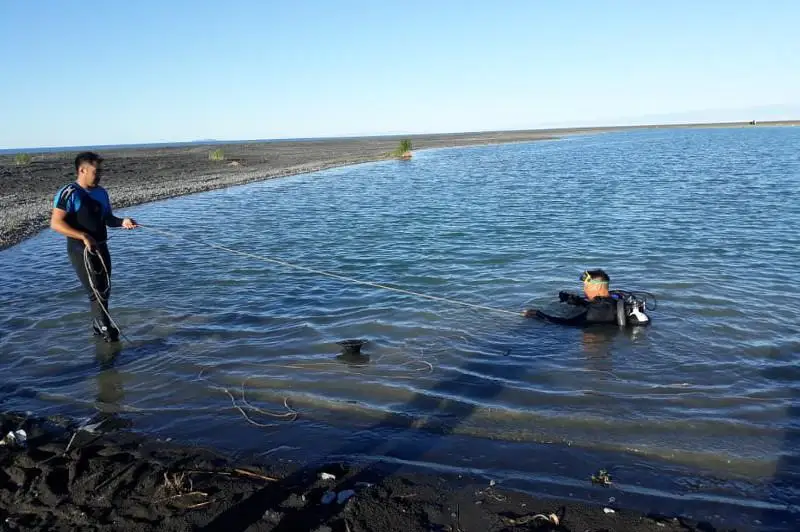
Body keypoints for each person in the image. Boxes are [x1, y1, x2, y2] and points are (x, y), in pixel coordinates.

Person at [50, 152, 138, 342]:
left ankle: (98, 328)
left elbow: (107, 218)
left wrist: (123, 221)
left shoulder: (101, 192)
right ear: (82, 170)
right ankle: (108, 332)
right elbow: (56, 223)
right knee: (95, 292)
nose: (99, 176)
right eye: (95, 171)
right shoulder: (68, 193)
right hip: (80, 250)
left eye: (100, 172)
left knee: (104, 290)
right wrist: (83, 235)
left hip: (102, 247)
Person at [523, 269, 650, 326]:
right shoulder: (614, 298)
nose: (584, 289)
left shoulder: (595, 313)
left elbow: (566, 323)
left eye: (586, 286)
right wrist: (574, 300)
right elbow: (594, 305)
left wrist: (537, 314)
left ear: (598, 288)